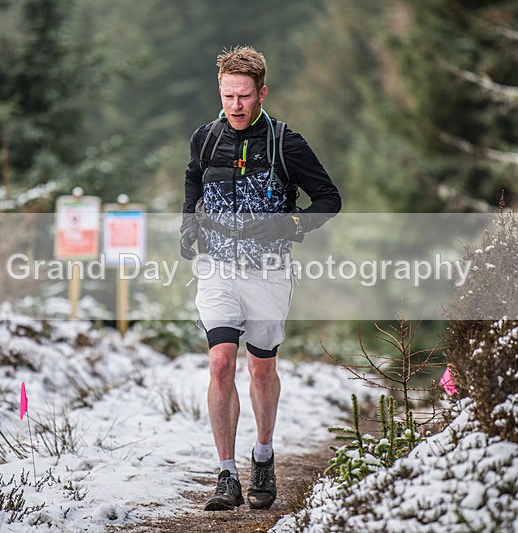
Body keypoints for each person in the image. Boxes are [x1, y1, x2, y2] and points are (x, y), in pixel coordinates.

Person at [180, 45, 341, 512]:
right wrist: (189, 222)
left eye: (244, 97)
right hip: (217, 269)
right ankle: (227, 474)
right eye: (228, 95)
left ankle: (264, 457)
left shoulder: (286, 143)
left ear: (261, 93)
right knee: (220, 363)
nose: (235, 106)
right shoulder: (206, 138)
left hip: (269, 271)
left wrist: (286, 225)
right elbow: (193, 180)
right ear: (220, 90)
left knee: (260, 367)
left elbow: (329, 199)